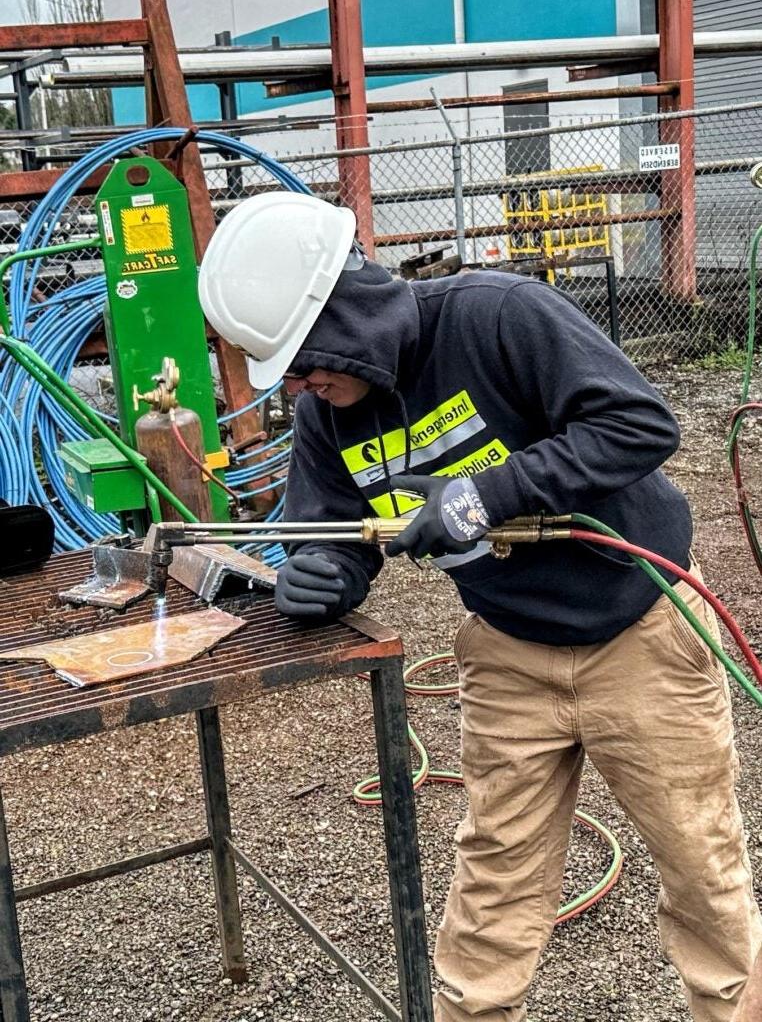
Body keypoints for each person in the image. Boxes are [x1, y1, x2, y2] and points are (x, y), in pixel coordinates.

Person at [199, 192, 762, 1022]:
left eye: (305, 357)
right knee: (495, 881)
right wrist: (319, 574)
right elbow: (333, 534)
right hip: (508, 651)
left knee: (700, 868)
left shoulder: (497, 316)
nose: (299, 382)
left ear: (346, 310)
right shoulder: (327, 413)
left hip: (640, 629)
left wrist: (481, 497)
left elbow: (640, 423)